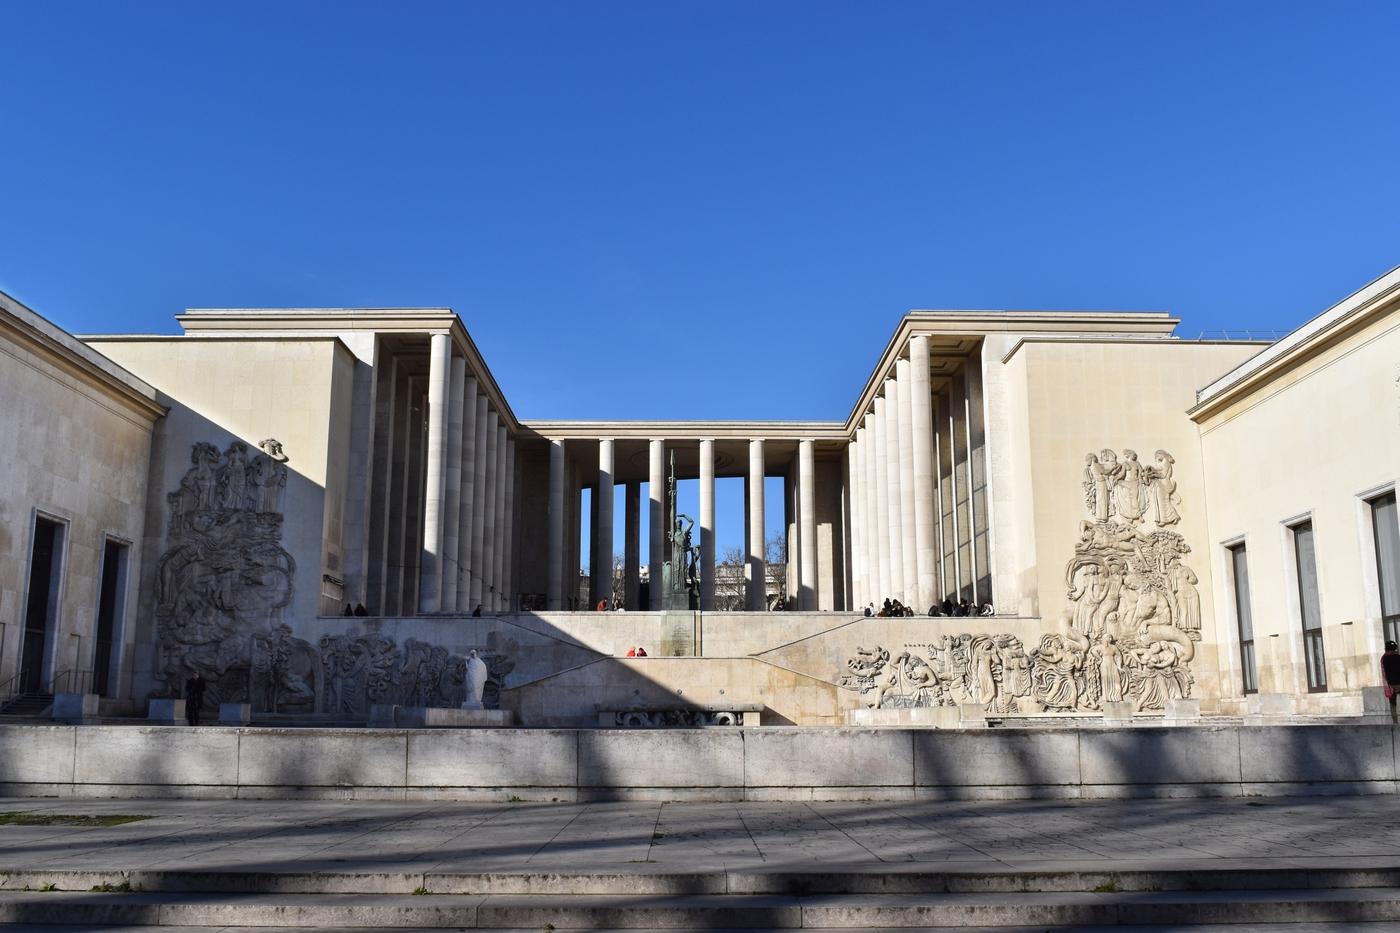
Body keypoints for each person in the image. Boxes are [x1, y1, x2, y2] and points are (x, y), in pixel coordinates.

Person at [1382, 641, 1400, 723]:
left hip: (1391, 684)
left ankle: (1395, 722)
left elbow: (1385, 672)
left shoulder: (1384, 658)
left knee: (1393, 704)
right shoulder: (1398, 657)